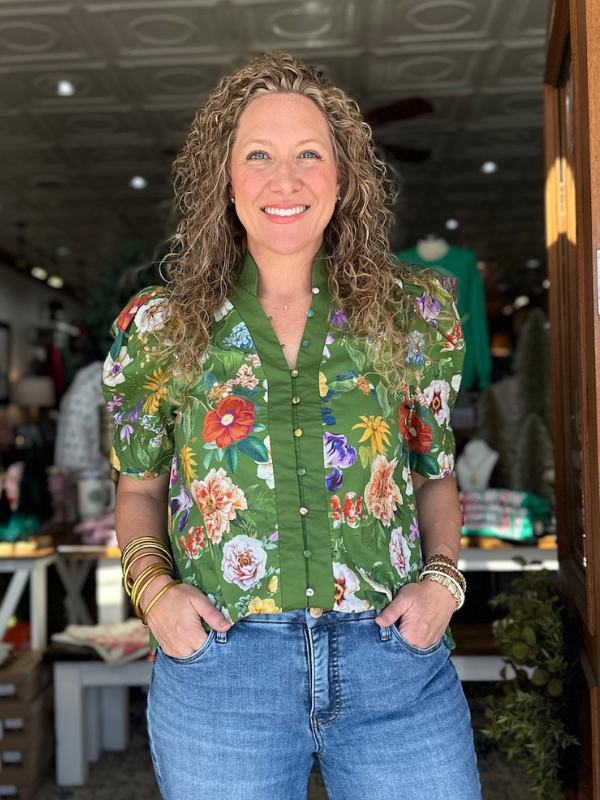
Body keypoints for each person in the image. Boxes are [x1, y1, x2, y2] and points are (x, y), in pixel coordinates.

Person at [102, 52, 482, 800]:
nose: (286, 179)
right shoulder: (159, 329)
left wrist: (443, 582)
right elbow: (138, 487)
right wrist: (155, 595)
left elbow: (434, 473)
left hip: (393, 665)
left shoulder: (417, 315)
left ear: (343, 179)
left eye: (310, 154)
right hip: (223, 672)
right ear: (225, 179)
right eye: (259, 156)